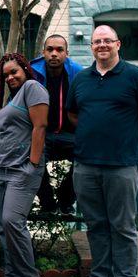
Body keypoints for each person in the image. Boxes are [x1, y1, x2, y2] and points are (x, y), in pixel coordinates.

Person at [67, 25, 138, 277]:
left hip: (122, 165)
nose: (102, 45)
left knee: (122, 226)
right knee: (96, 225)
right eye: (97, 41)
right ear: (91, 47)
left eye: (107, 41)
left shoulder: (135, 76)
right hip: (86, 165)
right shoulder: (82, 79)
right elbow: (74, 115)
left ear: (118, 44)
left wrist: (130, 138)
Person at [0, 53, 49, 277]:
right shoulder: (11, 97)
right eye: (6, 75)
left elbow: (40, 126)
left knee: (13, 221)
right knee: (4, 226)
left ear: (25, 69)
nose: (11, 77)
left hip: (21, 170)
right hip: (0, 169)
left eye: (15, 72)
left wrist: (32, 165)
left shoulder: (33, 88)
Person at [31, 35, 83, 215]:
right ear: (43, 53)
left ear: (67, 53)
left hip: (70, 134)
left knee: (87, 156)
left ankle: (66, 199)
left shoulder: (77, 73)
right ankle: (48, 203)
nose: (54, 54)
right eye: (50, 49)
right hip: (43, 134)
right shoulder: (33, 73)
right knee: (30, 159)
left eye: (59, 50)